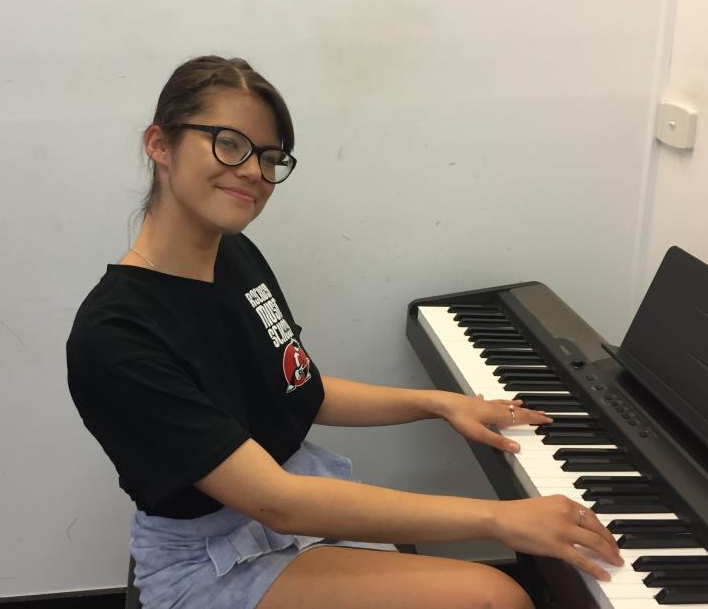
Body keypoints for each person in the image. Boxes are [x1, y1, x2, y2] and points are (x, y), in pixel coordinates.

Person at [65, 55, 623, 609]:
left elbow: (300, 389)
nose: (254, 172)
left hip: (279, 514)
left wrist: (440, 404)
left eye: (269, 157)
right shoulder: (115, 335)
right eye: (229, 143)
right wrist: (499, 519)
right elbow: (278, 501)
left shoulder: (234, 256)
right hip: (210, 562)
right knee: (495, 598)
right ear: (159, 144)